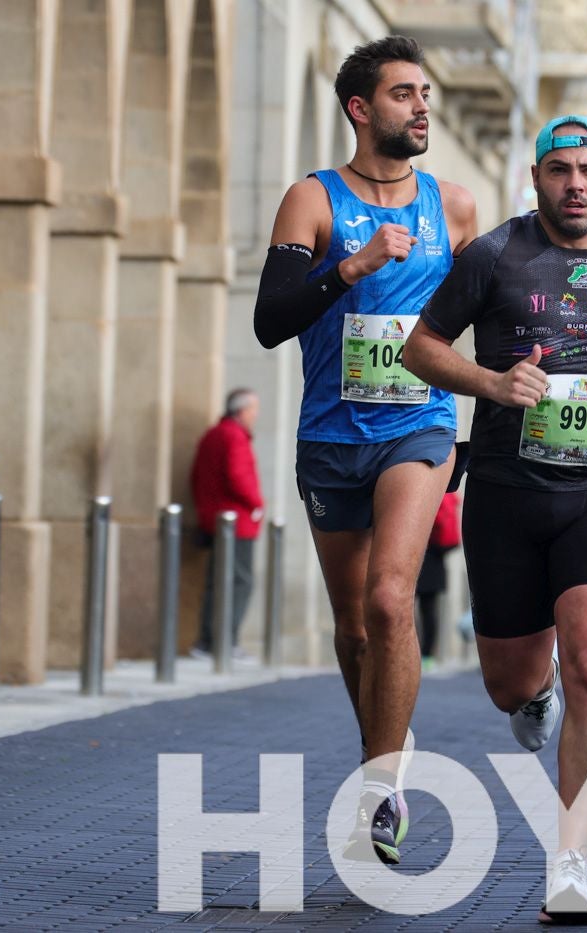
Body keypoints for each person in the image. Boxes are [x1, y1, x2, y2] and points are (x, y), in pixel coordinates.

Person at [404, 114, 587, 925]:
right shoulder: (493, 255)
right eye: (559, 169)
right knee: (511, 681)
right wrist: (493, 384)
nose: (574, 184)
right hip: (505, 488)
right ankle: (535, 697)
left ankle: (570, 861)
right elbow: (421, 347)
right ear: (536, 179)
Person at [252, 35, 477, 865]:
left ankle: (381, 789)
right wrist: (350, 267)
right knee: (352, 629)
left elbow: (484, 317)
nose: (421, 108)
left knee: (390, 601)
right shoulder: (312, 199)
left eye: (425, 94)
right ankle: (385, 740)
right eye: (403, 94)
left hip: (418, 425)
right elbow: (270, 320)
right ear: (360, 108)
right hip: (329, 434)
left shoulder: (454, 208)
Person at [189, 388, 264, 659]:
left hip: (215, 520)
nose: (255, 415)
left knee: (217, 580)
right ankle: (226, 641)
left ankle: (207, 641)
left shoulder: (213, 434)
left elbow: (195, 477)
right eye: (253, 410)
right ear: (242, 411)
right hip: (237, 522)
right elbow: (238, 476)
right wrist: (257, 504)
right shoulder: (234, 436)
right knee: (240, 581)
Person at [416, 490, 460, 671]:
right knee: (429, 610)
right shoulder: (444, 492)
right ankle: (427, 656)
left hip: (419, 553)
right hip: (435, 558)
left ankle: (416, 655)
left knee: (403, 607)